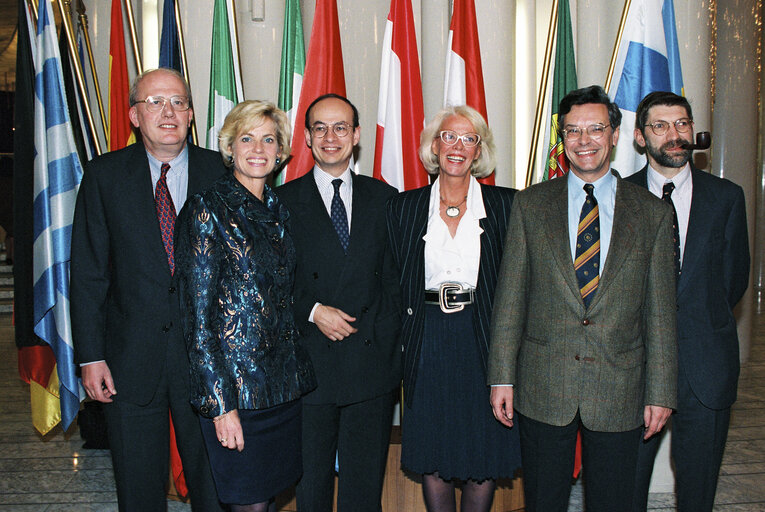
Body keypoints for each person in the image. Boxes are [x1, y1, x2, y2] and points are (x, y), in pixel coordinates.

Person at [488, 85, 678, 512]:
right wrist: (502, 375)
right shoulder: (530, 205)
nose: (584, 140)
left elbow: (661, 314)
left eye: (595, 128)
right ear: (562, 137)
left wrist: (661, 391)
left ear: (615, 134)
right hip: (543, 385)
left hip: (620, 387)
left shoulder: (651, 213)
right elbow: (511, 298)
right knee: (542, 502)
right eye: (573, 130)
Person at [70, 68, 223, 511]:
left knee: (215, 486)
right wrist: (90, 356)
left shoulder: (223, 173)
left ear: (191, 114)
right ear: (135, 115)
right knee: (138, 490)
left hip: (208, 362)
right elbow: (88, 272)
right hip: (129, 360)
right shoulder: (104, 176)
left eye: (177, 102)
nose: (167, 112)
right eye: (154, 102)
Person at [174, 100, 317, 512]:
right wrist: (221, 406)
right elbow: (197, 320)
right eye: (247, 138)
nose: (258, 148)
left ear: (282, 150)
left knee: (268, 500)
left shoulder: (278, 208)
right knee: (248, 504)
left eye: (268, 139)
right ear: (230, 147)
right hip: (235, 392)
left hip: (283, 389)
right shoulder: (207, 209)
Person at [387, 105, 521, 512]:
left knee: (481, 454)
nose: (457, 146)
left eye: (468, 138)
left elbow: (518, 286)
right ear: (433, 146)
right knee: (433, 453)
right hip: (426, 338)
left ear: (479, 150)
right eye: (448, 136)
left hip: (483, 337)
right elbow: (393, 281)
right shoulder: (403, 208)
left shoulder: (507, 206)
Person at [275, 94, 402, 512]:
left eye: (341, 127)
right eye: (320, 128)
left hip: (370, 369)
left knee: (363, 492)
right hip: (308, 367)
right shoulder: (280, 202)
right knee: (310, 489)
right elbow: (269, 281)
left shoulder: (387, 199)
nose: (331, 137)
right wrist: (313, 311)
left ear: (357, 135)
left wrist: (384, 343)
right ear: (307, 138)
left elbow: (395, 283)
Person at [627, 91, 750, 512]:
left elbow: (733, 282)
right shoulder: (615, 199)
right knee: (624, 490)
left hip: (705, 369)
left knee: (698, 493)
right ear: (641, 138)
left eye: (681, 124)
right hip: (633, 371)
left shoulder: (726, 197)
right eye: (660, 126)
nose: (674, 135)